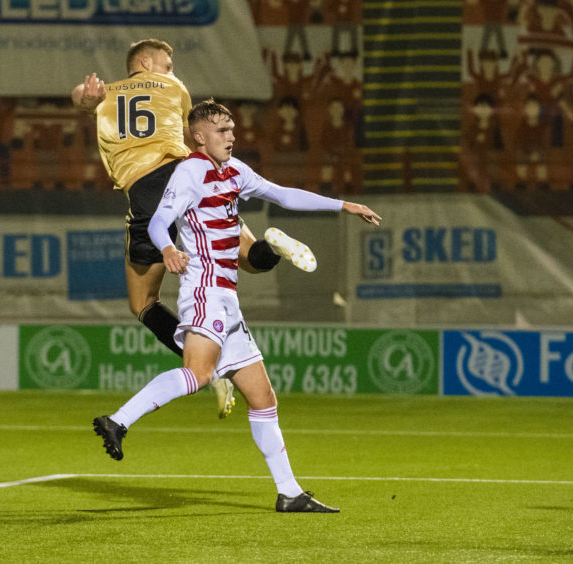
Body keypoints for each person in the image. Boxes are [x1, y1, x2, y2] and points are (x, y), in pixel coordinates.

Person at [92, 98, 382, 512]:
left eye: (232, 129)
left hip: (227, 296)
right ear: (199, 136)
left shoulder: (233, 171)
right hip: (205, 288)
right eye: (222, 130)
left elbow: (282, 193)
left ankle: (290, 493)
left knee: (262, 397)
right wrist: (168, 248)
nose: (232, 136)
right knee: (197, 373)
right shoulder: (190, 171)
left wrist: (343, 205)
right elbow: (158, 220)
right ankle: (118, 420)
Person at [71, 39, 304, 417]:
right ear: (145, 62)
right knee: (249, 259)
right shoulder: (174, 87)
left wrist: (88, 97)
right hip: (187, 178)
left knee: (142, 302)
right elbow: (193, 137)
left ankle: (206, 366)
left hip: (146, 190)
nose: (172, 69)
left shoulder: (108, 94)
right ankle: (272, 247)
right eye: (168, 63)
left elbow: (82, 95)